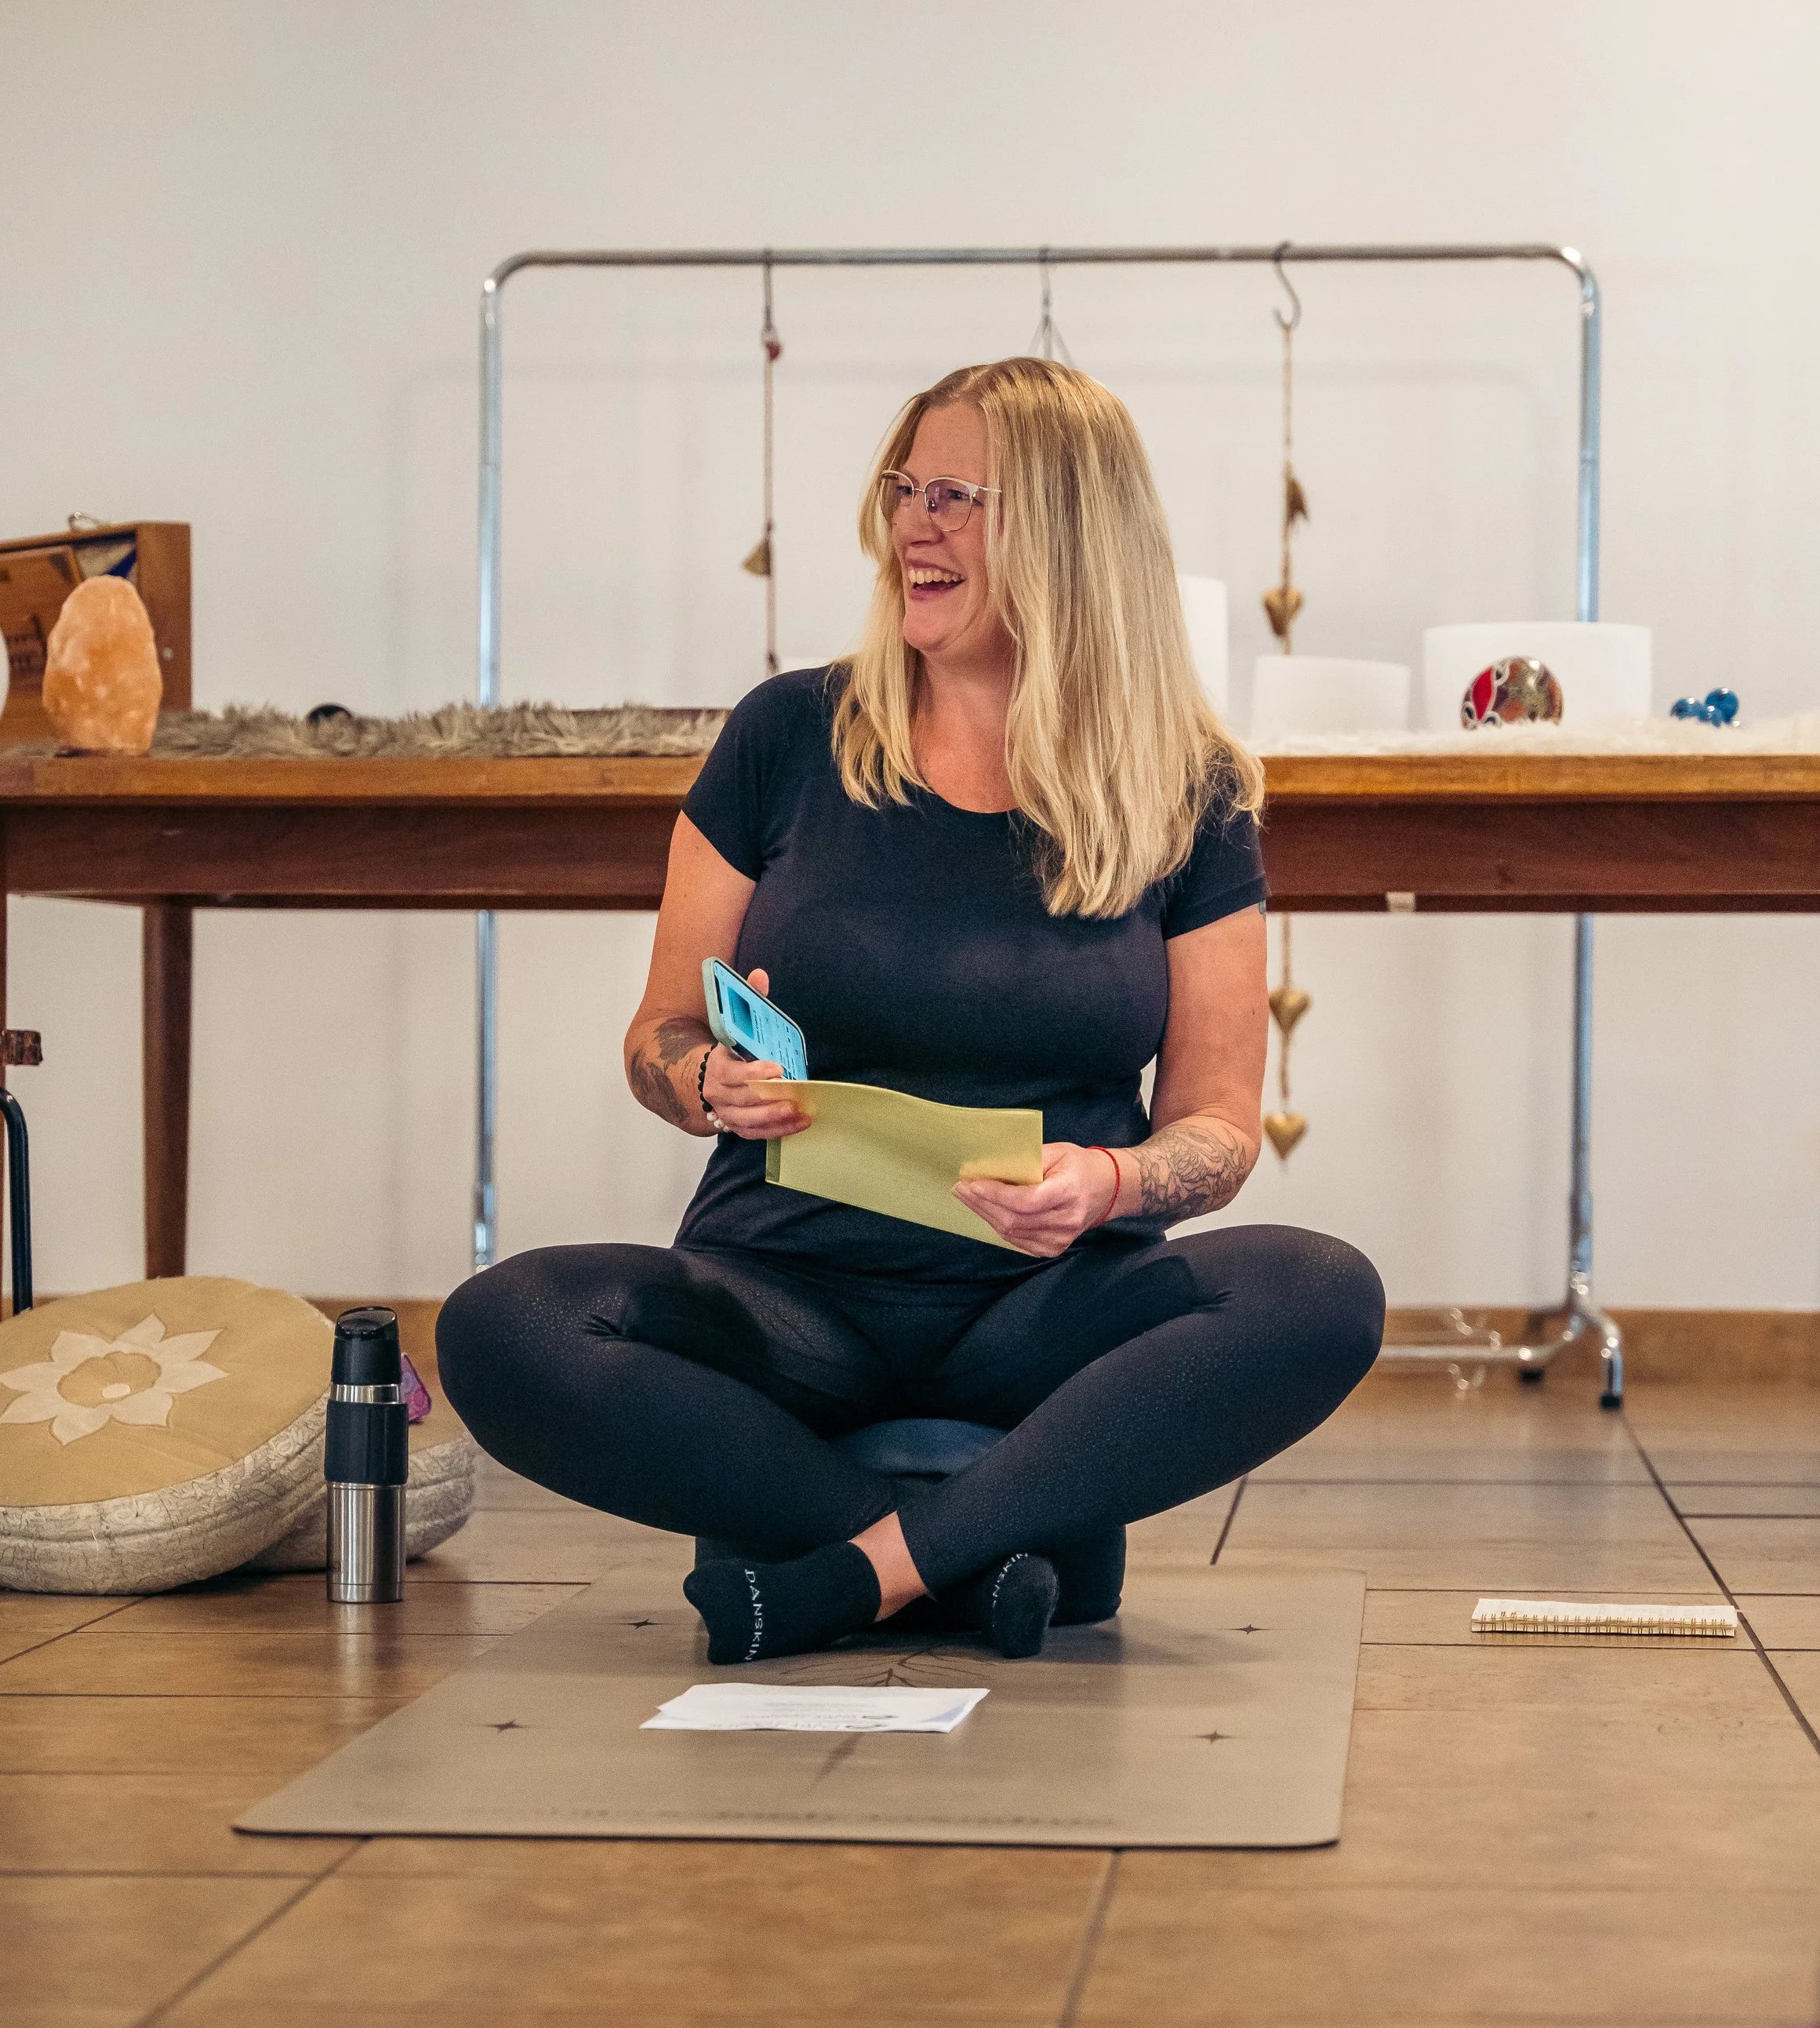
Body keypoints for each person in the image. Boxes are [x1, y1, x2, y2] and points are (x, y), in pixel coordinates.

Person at [438, 358, 1383, 1664]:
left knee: (1323, 1290)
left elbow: (1218, 1128)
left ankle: (850, 1571)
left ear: (1062, 529)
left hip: (1040, 1314)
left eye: (956, 495)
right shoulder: (786, 735)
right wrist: (706, 1079)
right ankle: (960, 1554)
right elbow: (658, 1038)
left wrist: (1108, 1183)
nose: (910, 525)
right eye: (901, 487)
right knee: (505, 1326)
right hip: (784, 1293)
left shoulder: (1190, 787)